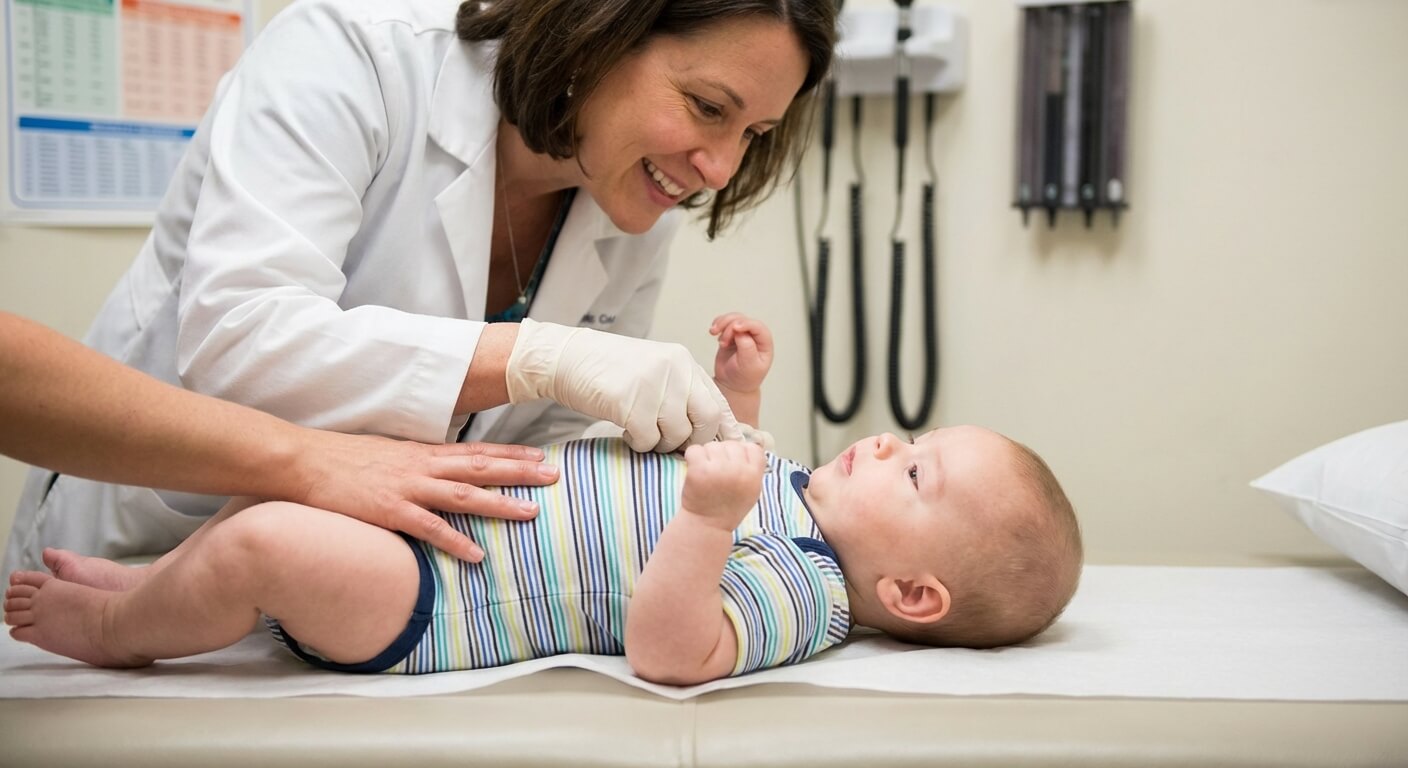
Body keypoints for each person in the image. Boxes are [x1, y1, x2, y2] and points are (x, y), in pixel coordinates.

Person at [5, 0, 838, 573]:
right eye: (705, 107)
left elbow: (545, 455)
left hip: (354, 598)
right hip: (132, 551)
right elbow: (239, 337)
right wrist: (537, 354)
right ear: (599, 29)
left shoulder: (632, 199)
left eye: (754, 133)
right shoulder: (354, 52)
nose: (719, 169)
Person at [5, 315, 1084, 684]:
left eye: (916, 471)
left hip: (433, 602)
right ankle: (151, 582)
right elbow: (723, 450)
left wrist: (708, 519)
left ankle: (119, 628)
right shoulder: (790, 487)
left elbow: (673, 652)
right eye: (916, 439)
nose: (891, 442)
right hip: (435, 521)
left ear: (913, 591)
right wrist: (740, 393)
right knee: (275, 489)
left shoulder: (808, 596)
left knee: (271, 546)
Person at [0, 312, 554, 563]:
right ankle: (117, 617)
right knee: (262, 544)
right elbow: (240, 336)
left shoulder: (625, 227)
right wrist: (312, 463)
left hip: (420, 540)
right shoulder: (350, 81)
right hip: (161, 505)